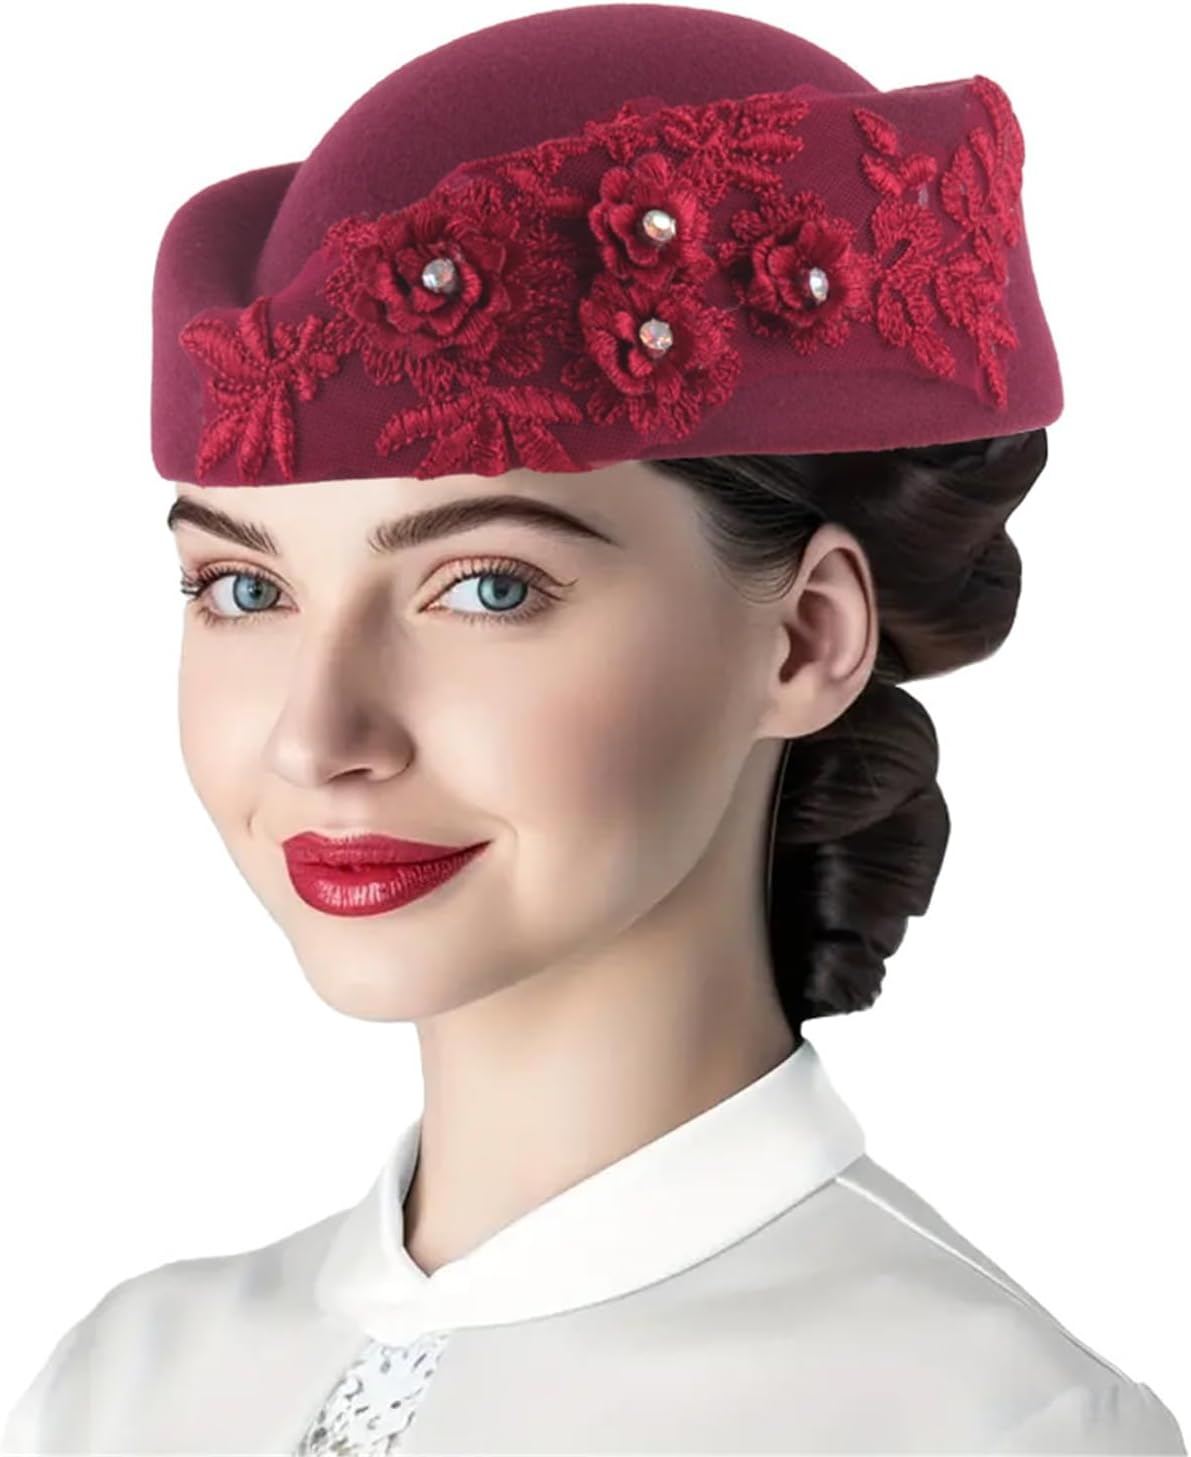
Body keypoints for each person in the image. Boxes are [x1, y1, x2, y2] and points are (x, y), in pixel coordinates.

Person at [3, 4, 1184, 1452]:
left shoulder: (987, 1425)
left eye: (487, 586)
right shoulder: (123, 1386)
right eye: (244, 589)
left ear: (807, 638)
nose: (321, 737)